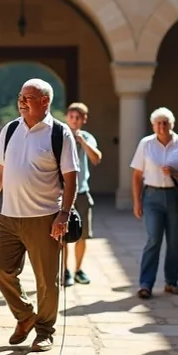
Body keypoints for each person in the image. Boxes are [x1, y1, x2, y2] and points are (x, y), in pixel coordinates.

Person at [0, 79, 79, 352]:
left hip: (45, 217)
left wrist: (64, 214)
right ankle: (25, 315)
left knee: (47, 280)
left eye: (29, 97)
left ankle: (44, 331)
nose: (22, 101)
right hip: (9, 216)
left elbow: (71, 179)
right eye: (20, 96)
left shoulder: (60, 133)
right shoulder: (10, 129)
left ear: (45, 101)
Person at [130, 108, 178, 299]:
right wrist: (137, 201)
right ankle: (146, 283)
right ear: (153, 125)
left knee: (174, 242)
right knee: (153, 239)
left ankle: (171, 282)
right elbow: (136, 175)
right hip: (152, 196)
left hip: (176, 196)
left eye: (165, 122)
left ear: (172, 124)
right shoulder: (146, 144)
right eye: (158, 123)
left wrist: (175, 173)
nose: (162, 126)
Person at [63, 102, 102, 287]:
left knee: (83, 234)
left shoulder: (87, 137)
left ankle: (78, 269)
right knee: (62, 235)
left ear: (84, 120)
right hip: (62, 194)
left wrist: (82, 141)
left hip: (82, 192)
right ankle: (65, 271)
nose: (74, 120)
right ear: (66, 118)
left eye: (78, 117)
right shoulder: (60, 136)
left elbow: (96, 159)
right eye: (71, 117)